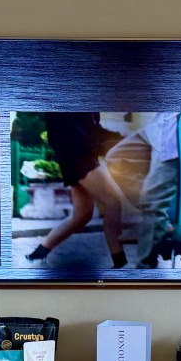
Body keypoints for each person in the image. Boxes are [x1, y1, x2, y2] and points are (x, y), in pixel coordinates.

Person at [26, 112, 130, 269]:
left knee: (82, 215)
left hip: (79, 158)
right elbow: (70, 134)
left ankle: (38, 253)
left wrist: (121, 140)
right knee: (113, 201)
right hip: (78, 159)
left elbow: (93, 130)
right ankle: (120, 260)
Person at [107, 112, 180, 268]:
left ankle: (144, 269)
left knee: (152, 202)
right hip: (159, 124)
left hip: (175, 133)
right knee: (116, 159)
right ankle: (160, 219)